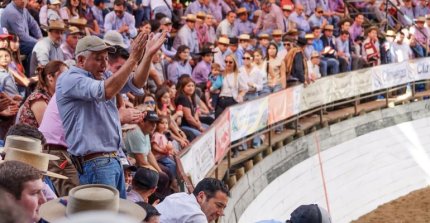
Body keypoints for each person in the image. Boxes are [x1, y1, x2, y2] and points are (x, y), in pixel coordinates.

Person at [56, 32, 166, 198]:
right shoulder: (70, 78)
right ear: (80, 60)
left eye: (106, 58)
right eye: (98, 58)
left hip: (111, 160)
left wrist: (148, 56)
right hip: (95, 162)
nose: (104, 63)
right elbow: (106, 91)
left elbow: (137, 82)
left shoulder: (103, 75)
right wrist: (133, 58)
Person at [156, 178, 229, 223]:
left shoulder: (179, 196)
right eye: (219, 205)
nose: (222, 213)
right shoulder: (197, 216)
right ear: (201, 197)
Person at [19, 61, 68, 128]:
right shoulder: (38, 99)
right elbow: (49, 129)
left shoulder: (55, 96)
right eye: (64, 75)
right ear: (50, 77)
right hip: (32, 137)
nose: (68, 79)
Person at [1, 0, 43, 69]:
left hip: (21, 41)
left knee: (40, 44)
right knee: (36, 46)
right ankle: (30, 73)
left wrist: (40, 37)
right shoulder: (11, 12)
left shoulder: (23, 10)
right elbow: (22, 36)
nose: (23, 1)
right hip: (11, 43)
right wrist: (39, 42)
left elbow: (33, 25)